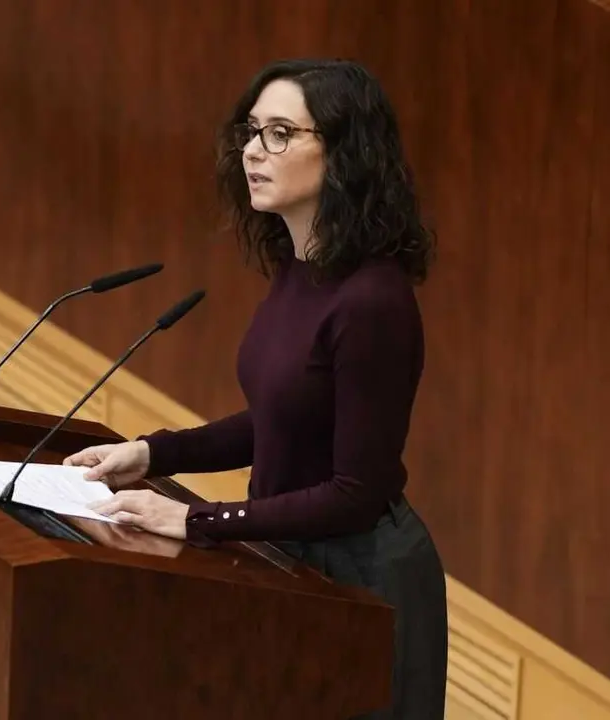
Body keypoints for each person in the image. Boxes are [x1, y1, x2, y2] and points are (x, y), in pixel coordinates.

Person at [63, 58, 447, 719]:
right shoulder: (298, 269)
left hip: (361, 582)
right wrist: (154, 455)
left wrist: (194, 520)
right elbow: (280, 420)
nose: (250, 151)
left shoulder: (371, 303)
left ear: (343, 152)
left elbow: (355, 495)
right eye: (250, 130)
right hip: (285, 556)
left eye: (278, 133)